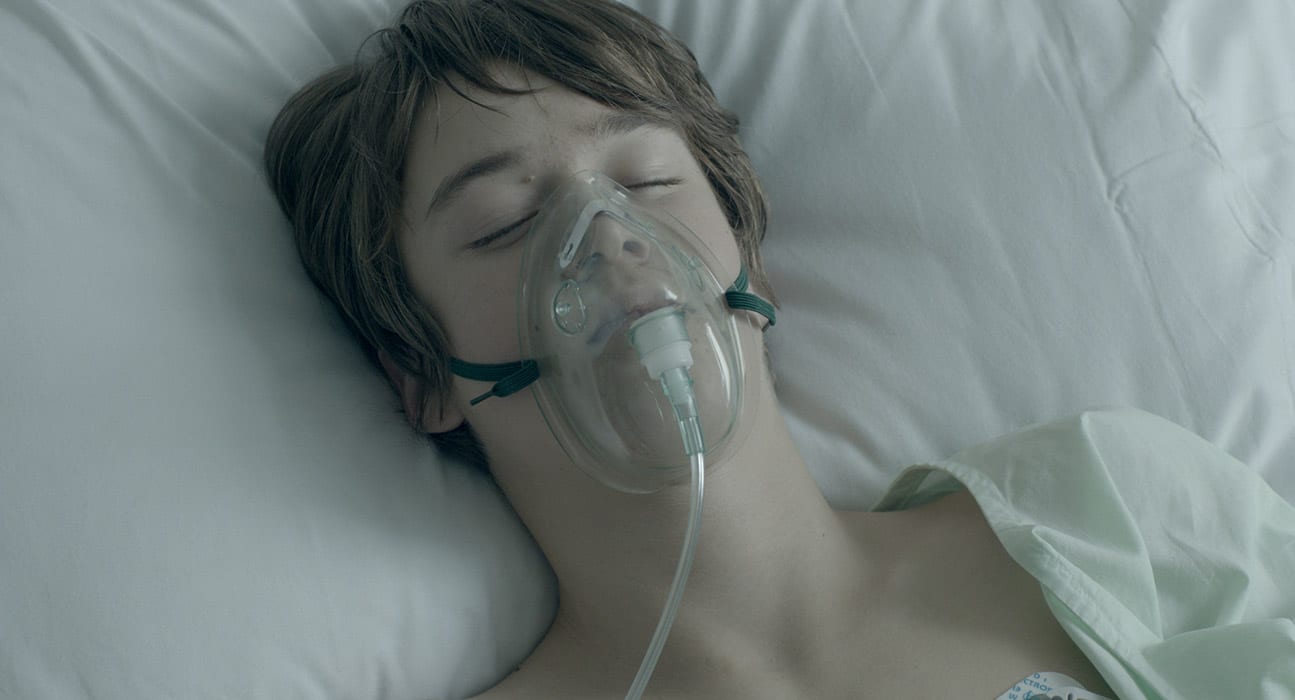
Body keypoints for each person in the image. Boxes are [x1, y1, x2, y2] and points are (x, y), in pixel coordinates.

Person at [264, 2, 1294, 698]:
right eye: (504, 223)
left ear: (745, 256)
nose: (608, 239)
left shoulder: (1105, 509)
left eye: (646, 178)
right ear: (422, 373)